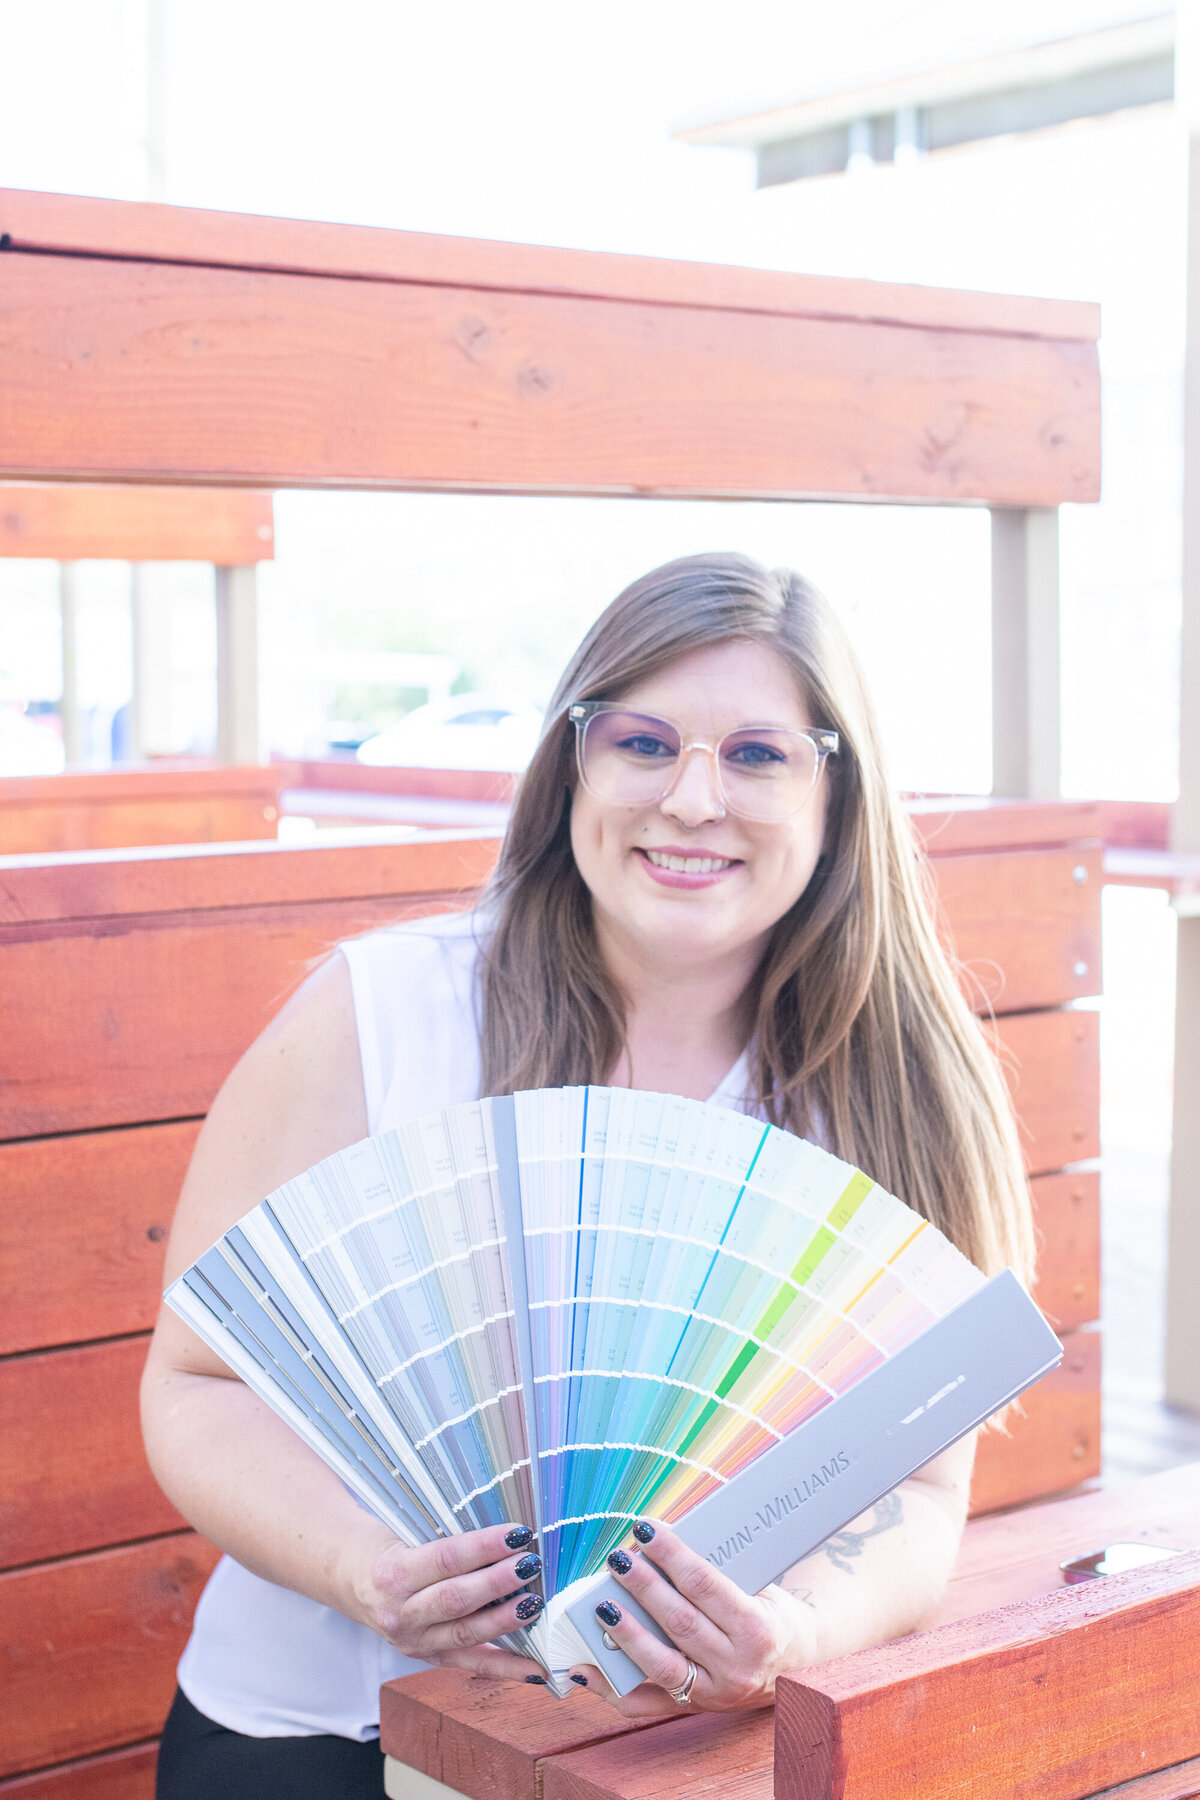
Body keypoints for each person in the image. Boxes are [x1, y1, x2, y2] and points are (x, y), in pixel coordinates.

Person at [142, 552, 1034, 1798]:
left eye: (759, 755)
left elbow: (923, 1487)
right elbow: (193, 1385)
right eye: (644, 742)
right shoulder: (384, 1012)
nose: (691, 799)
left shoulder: (896, 1090)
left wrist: (789, 1640)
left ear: (838, 792)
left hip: (657, 1758)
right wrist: (362, 1567)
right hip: (310, 1736)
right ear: (576, 763)